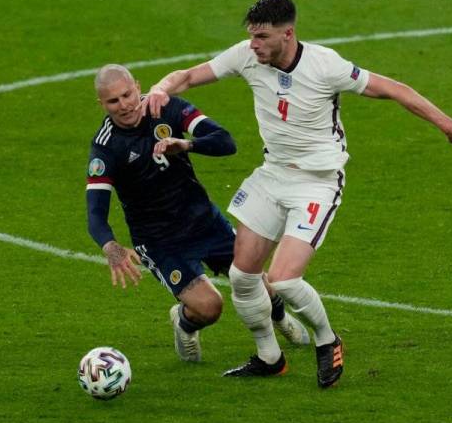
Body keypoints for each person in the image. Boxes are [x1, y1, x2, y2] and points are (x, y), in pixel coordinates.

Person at [141, 0, 452, 388]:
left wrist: (446, 124)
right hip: (272, 175)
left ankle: (327, 340)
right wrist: (162, 87)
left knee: (282, 279)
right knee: (243, 275)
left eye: (262, 36)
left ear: (288, 33)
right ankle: (269, 357)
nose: (254, 44)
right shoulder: (247, 56)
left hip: (316, 182)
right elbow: (191, 75)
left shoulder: (324, 65)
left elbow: (392, 88)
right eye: (251, 35)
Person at [86, 64, 310, 363]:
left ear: (137, 86)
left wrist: (187, 145)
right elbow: (95, 214)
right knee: (209, 307)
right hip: (160, 241)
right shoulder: (105, 147)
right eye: (113, 101)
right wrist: (110, 246)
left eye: (127, 94)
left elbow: (225, 142)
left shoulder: (167, 108)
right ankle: (184, 322)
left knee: (255, 281)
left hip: (204, 222)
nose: (124, 105)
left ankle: (281, 319)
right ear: (101, 103)